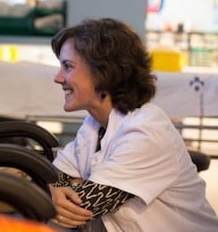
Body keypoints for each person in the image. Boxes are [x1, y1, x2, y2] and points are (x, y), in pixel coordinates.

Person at [48, 18, 218, 231]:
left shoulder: (145, 132)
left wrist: (55, 191)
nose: (58, 78)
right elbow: (54, 175)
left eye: (68, 67)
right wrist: (54, 188)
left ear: (103, 72)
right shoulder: (95, 125)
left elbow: (81, 207)